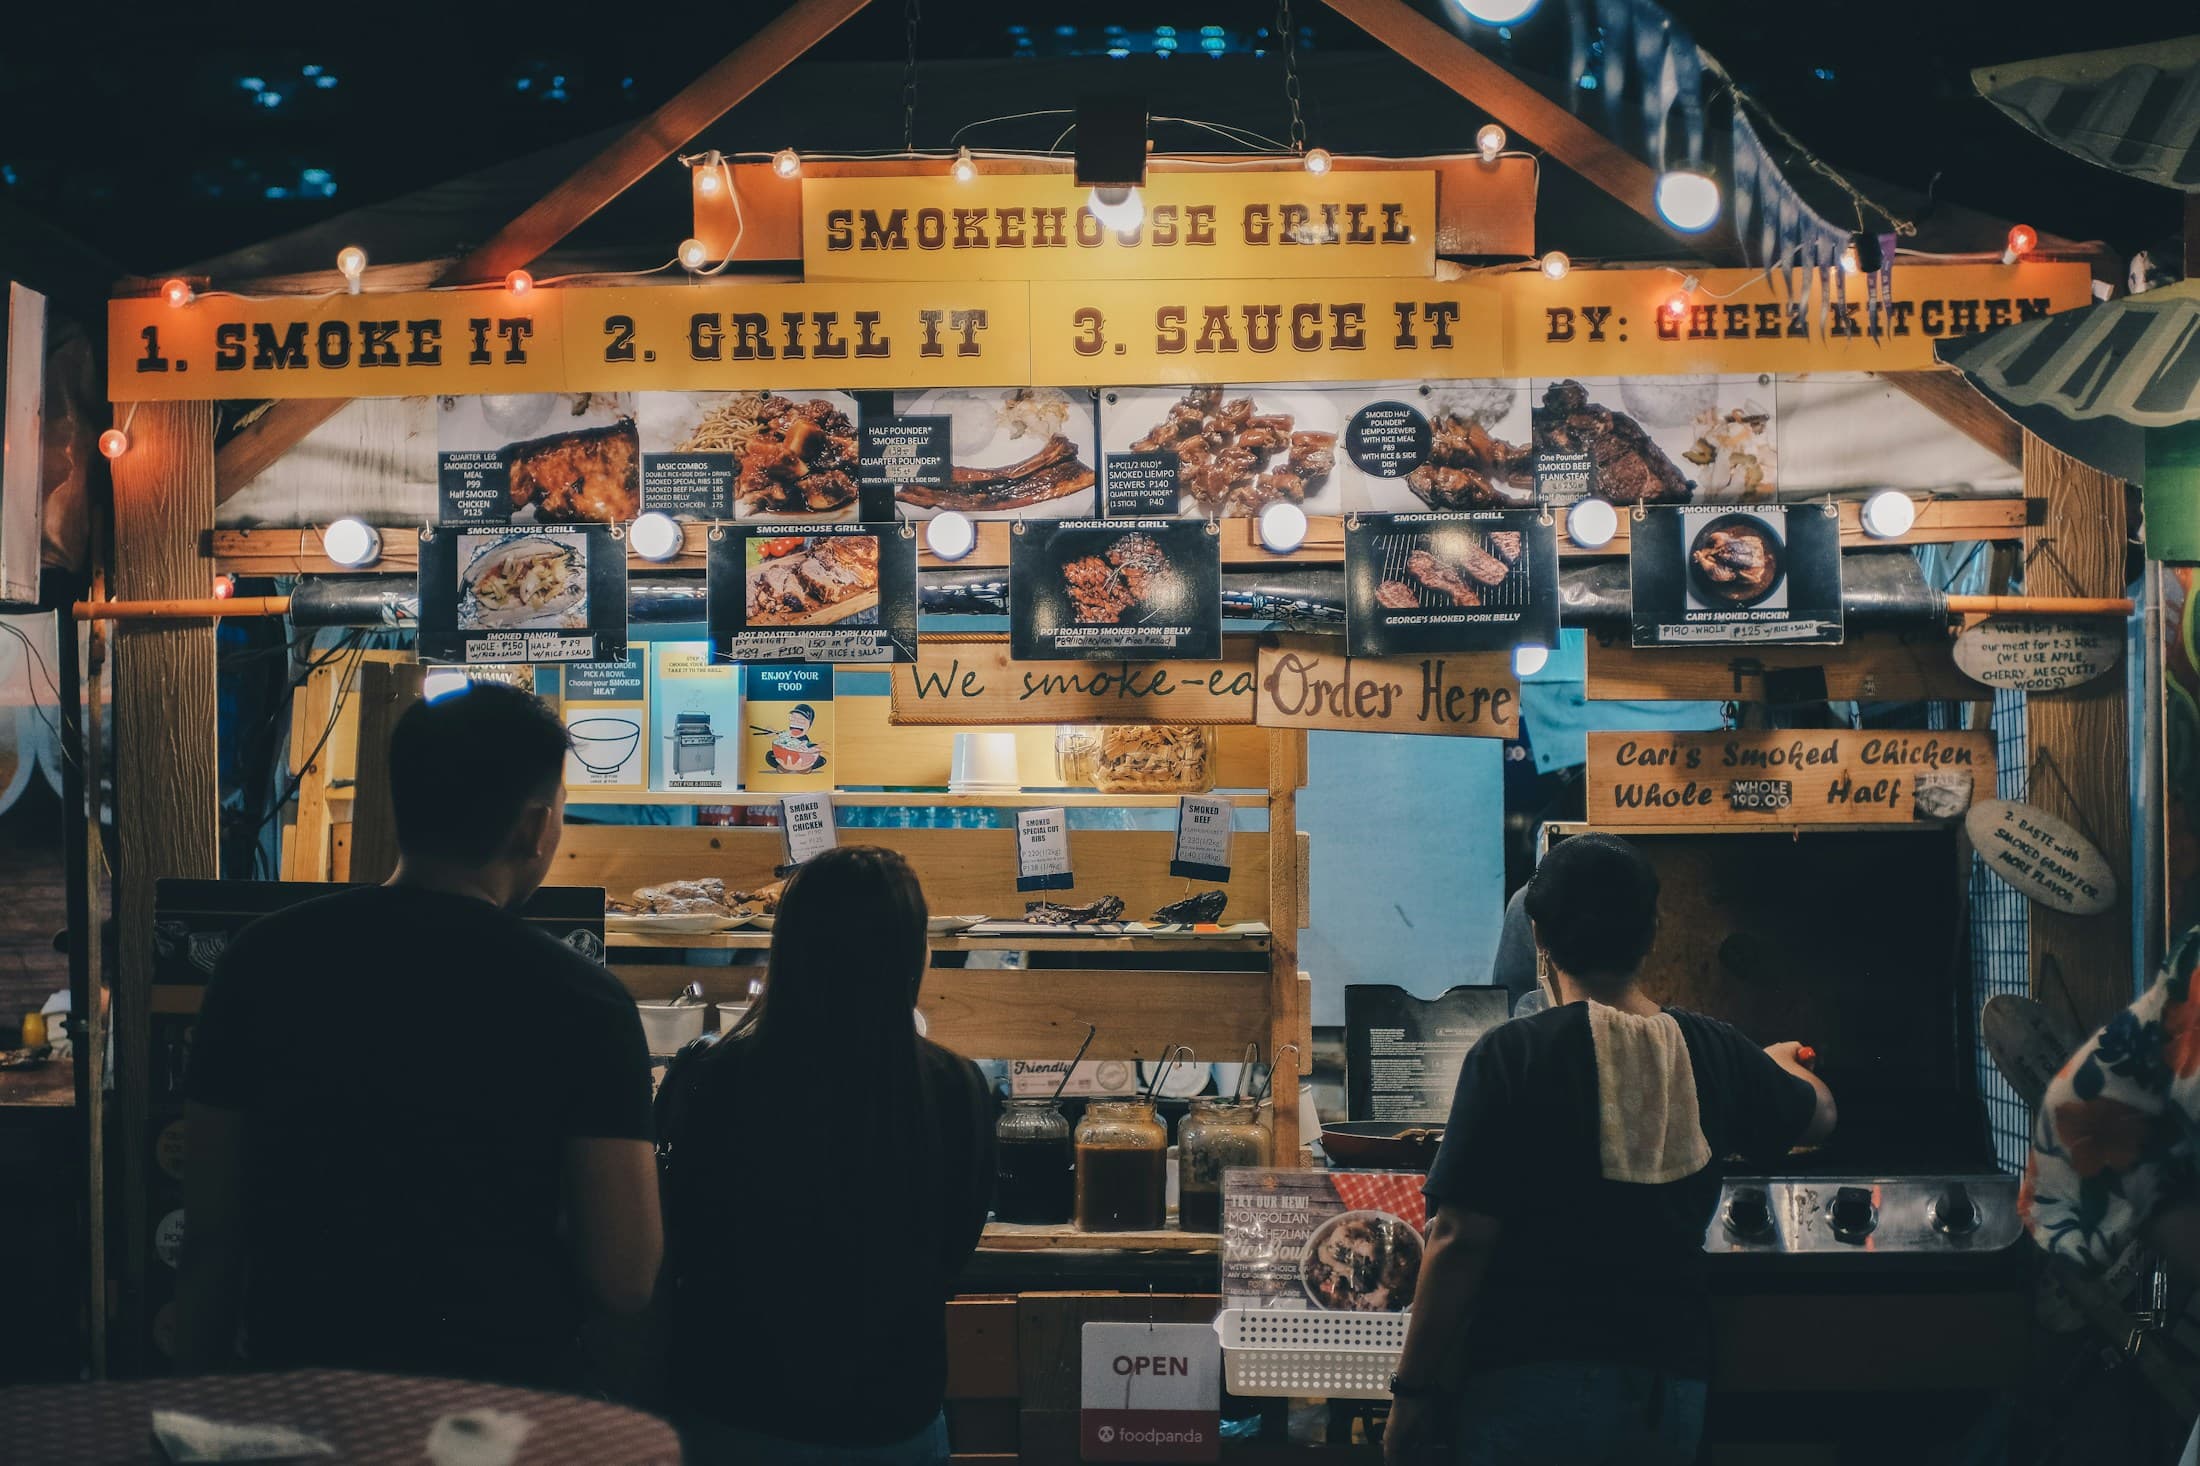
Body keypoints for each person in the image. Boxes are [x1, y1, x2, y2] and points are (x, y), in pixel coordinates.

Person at [177, 681, 661, 1388]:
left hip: (302, 1386)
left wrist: (194, 1397)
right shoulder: (585, 1000)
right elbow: (625, 1280)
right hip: (499, 1406)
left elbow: (210, 1227)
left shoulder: (259, 960)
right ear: (534, 826)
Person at [1385, 832, 1836, 1466]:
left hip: (1526, 1383)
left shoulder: (1511, 1053)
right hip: (1666, 1387)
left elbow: (1459, 1238)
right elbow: (1819, 1116)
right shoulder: (1713, 1049)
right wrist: (1779, 1065)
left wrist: (1411, 1395)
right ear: (1653, 927)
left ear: (1539, 936)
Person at [659, 846, 992, 1465]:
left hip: (729, 1408)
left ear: (787, 945)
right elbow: (951, 1254)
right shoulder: (957, 1085)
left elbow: (679, 1238)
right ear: (913, 952)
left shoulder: (709, 1075)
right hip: (889, 1415)